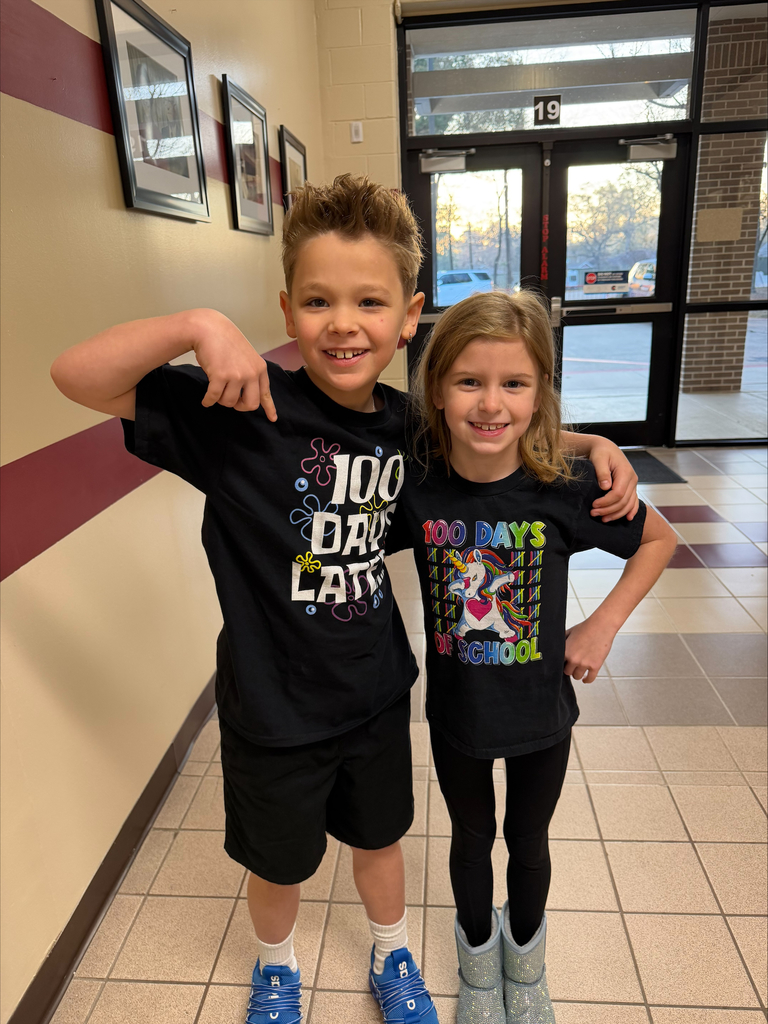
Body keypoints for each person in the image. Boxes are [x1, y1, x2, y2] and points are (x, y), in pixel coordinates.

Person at [50, 176, 641, 1024]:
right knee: (280, 862)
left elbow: (492, 428)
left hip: (372, 693)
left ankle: (392, 952)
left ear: (409, 316)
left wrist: (591, 442)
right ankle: (277, 969)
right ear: (288, 309)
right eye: (320, 300)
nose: (344, 322)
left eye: (371, 300)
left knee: (380, 841)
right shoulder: (239, 408)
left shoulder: (407, 427)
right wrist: (197, 326)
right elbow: (74, 375)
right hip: (271, 702)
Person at [387, 290, 677, 1023]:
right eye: (469, 382)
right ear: (436, 390)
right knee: (470, 838)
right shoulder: (416, 481)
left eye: (514, 383)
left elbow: (659, 539)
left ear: (541, 391)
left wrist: (603, 625)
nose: (491, 404)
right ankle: (477, 971)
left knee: (528, 842)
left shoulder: (565, 486)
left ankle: (527, 969)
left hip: (543, 715)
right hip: (457, 714)